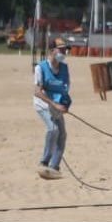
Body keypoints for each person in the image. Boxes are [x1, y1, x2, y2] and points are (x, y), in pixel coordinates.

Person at [33, 38, 72, 179]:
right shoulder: (40, 68)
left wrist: (65, 105)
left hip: (57, 106)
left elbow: (65, 89)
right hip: (43, 104)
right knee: (53, 129)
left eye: (64, 50)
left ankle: (54, 166)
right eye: (60, 49)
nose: (63, 52)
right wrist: (53, 104)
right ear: (52, 50)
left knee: (62, 134)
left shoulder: (64, 68)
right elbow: (37, 91)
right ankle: (44, 162)